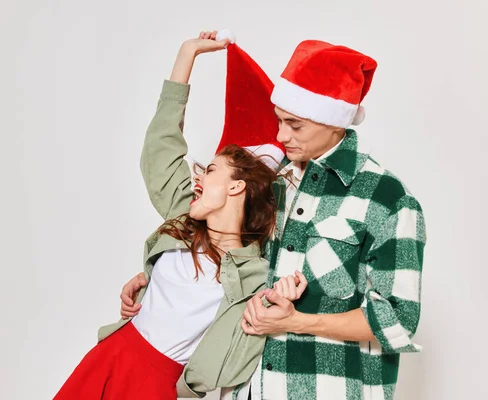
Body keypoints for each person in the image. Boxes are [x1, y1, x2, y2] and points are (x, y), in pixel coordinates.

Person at [122, 38, 427, 400]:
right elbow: (218, 243)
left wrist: (298, 322)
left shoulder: (387, 198)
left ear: (334, 121)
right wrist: (165, 275)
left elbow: (399, 319)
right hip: (244, 389)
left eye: (295, 125)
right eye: (280, 121)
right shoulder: (267, 182)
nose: (281, 136)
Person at [54, 31, 307, 400]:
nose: (198, 178)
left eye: (211, 171)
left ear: (237, 188)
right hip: (112, 353)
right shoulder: (185, 221)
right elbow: (160, 152)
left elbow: (241, 345)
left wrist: (282, 300)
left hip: (158, 382)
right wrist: (187, 55)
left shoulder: (255, 272)